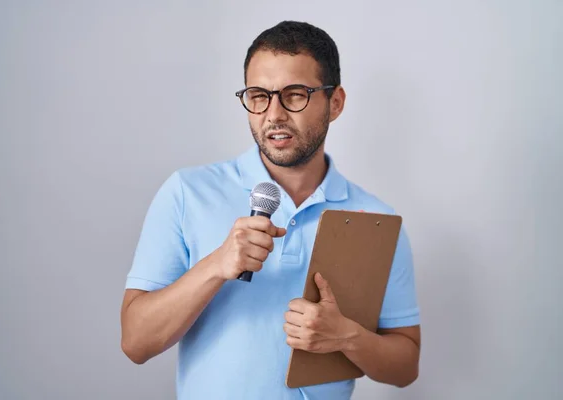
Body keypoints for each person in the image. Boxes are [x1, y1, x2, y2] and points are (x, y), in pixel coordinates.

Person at [120, 20, 421, 400]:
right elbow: (135, 342)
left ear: (336, 102)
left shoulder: (374, 219)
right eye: (259, 95)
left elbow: (405, 367)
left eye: (295, 94)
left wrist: (346, 336)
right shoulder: (187, 193)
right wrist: (216, 265)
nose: (274, 114)